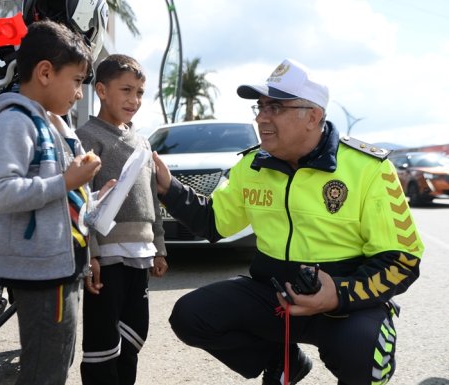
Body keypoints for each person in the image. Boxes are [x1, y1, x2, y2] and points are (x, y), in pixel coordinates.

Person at [155, 58, 424, 385]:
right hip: (275, 296)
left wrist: (338, 293)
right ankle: (284, 361)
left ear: (313, 116)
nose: (262, 118)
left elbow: (403, 259)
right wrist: (169, 188)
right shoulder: (251, 166)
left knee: (365, 354)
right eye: (260, 107)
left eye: (276, 108)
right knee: (191, 315)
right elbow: (214, 222)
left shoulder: (369, 168)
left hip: (346, 302)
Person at [0, 20, 107, 385]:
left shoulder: (52, 122)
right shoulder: (15, 121)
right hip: (41, 271)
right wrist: (67, 181)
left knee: (57, 359)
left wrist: (96, 193)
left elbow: (60, 195)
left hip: (61, 264)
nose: (80, 93)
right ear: (45, 72)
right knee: (46, 371)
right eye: (78, 80)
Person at [75, 54, 168, 385]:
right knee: (103, 341)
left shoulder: (141, 141)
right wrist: (92, 253)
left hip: (140, 257)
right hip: (108, 258)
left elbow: (152, 199)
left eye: (140, 92)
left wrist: (159, 247)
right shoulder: (87, 137)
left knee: (134, 334)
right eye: (126, 90)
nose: (135, 100)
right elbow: (82, 199)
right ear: (101, 90)